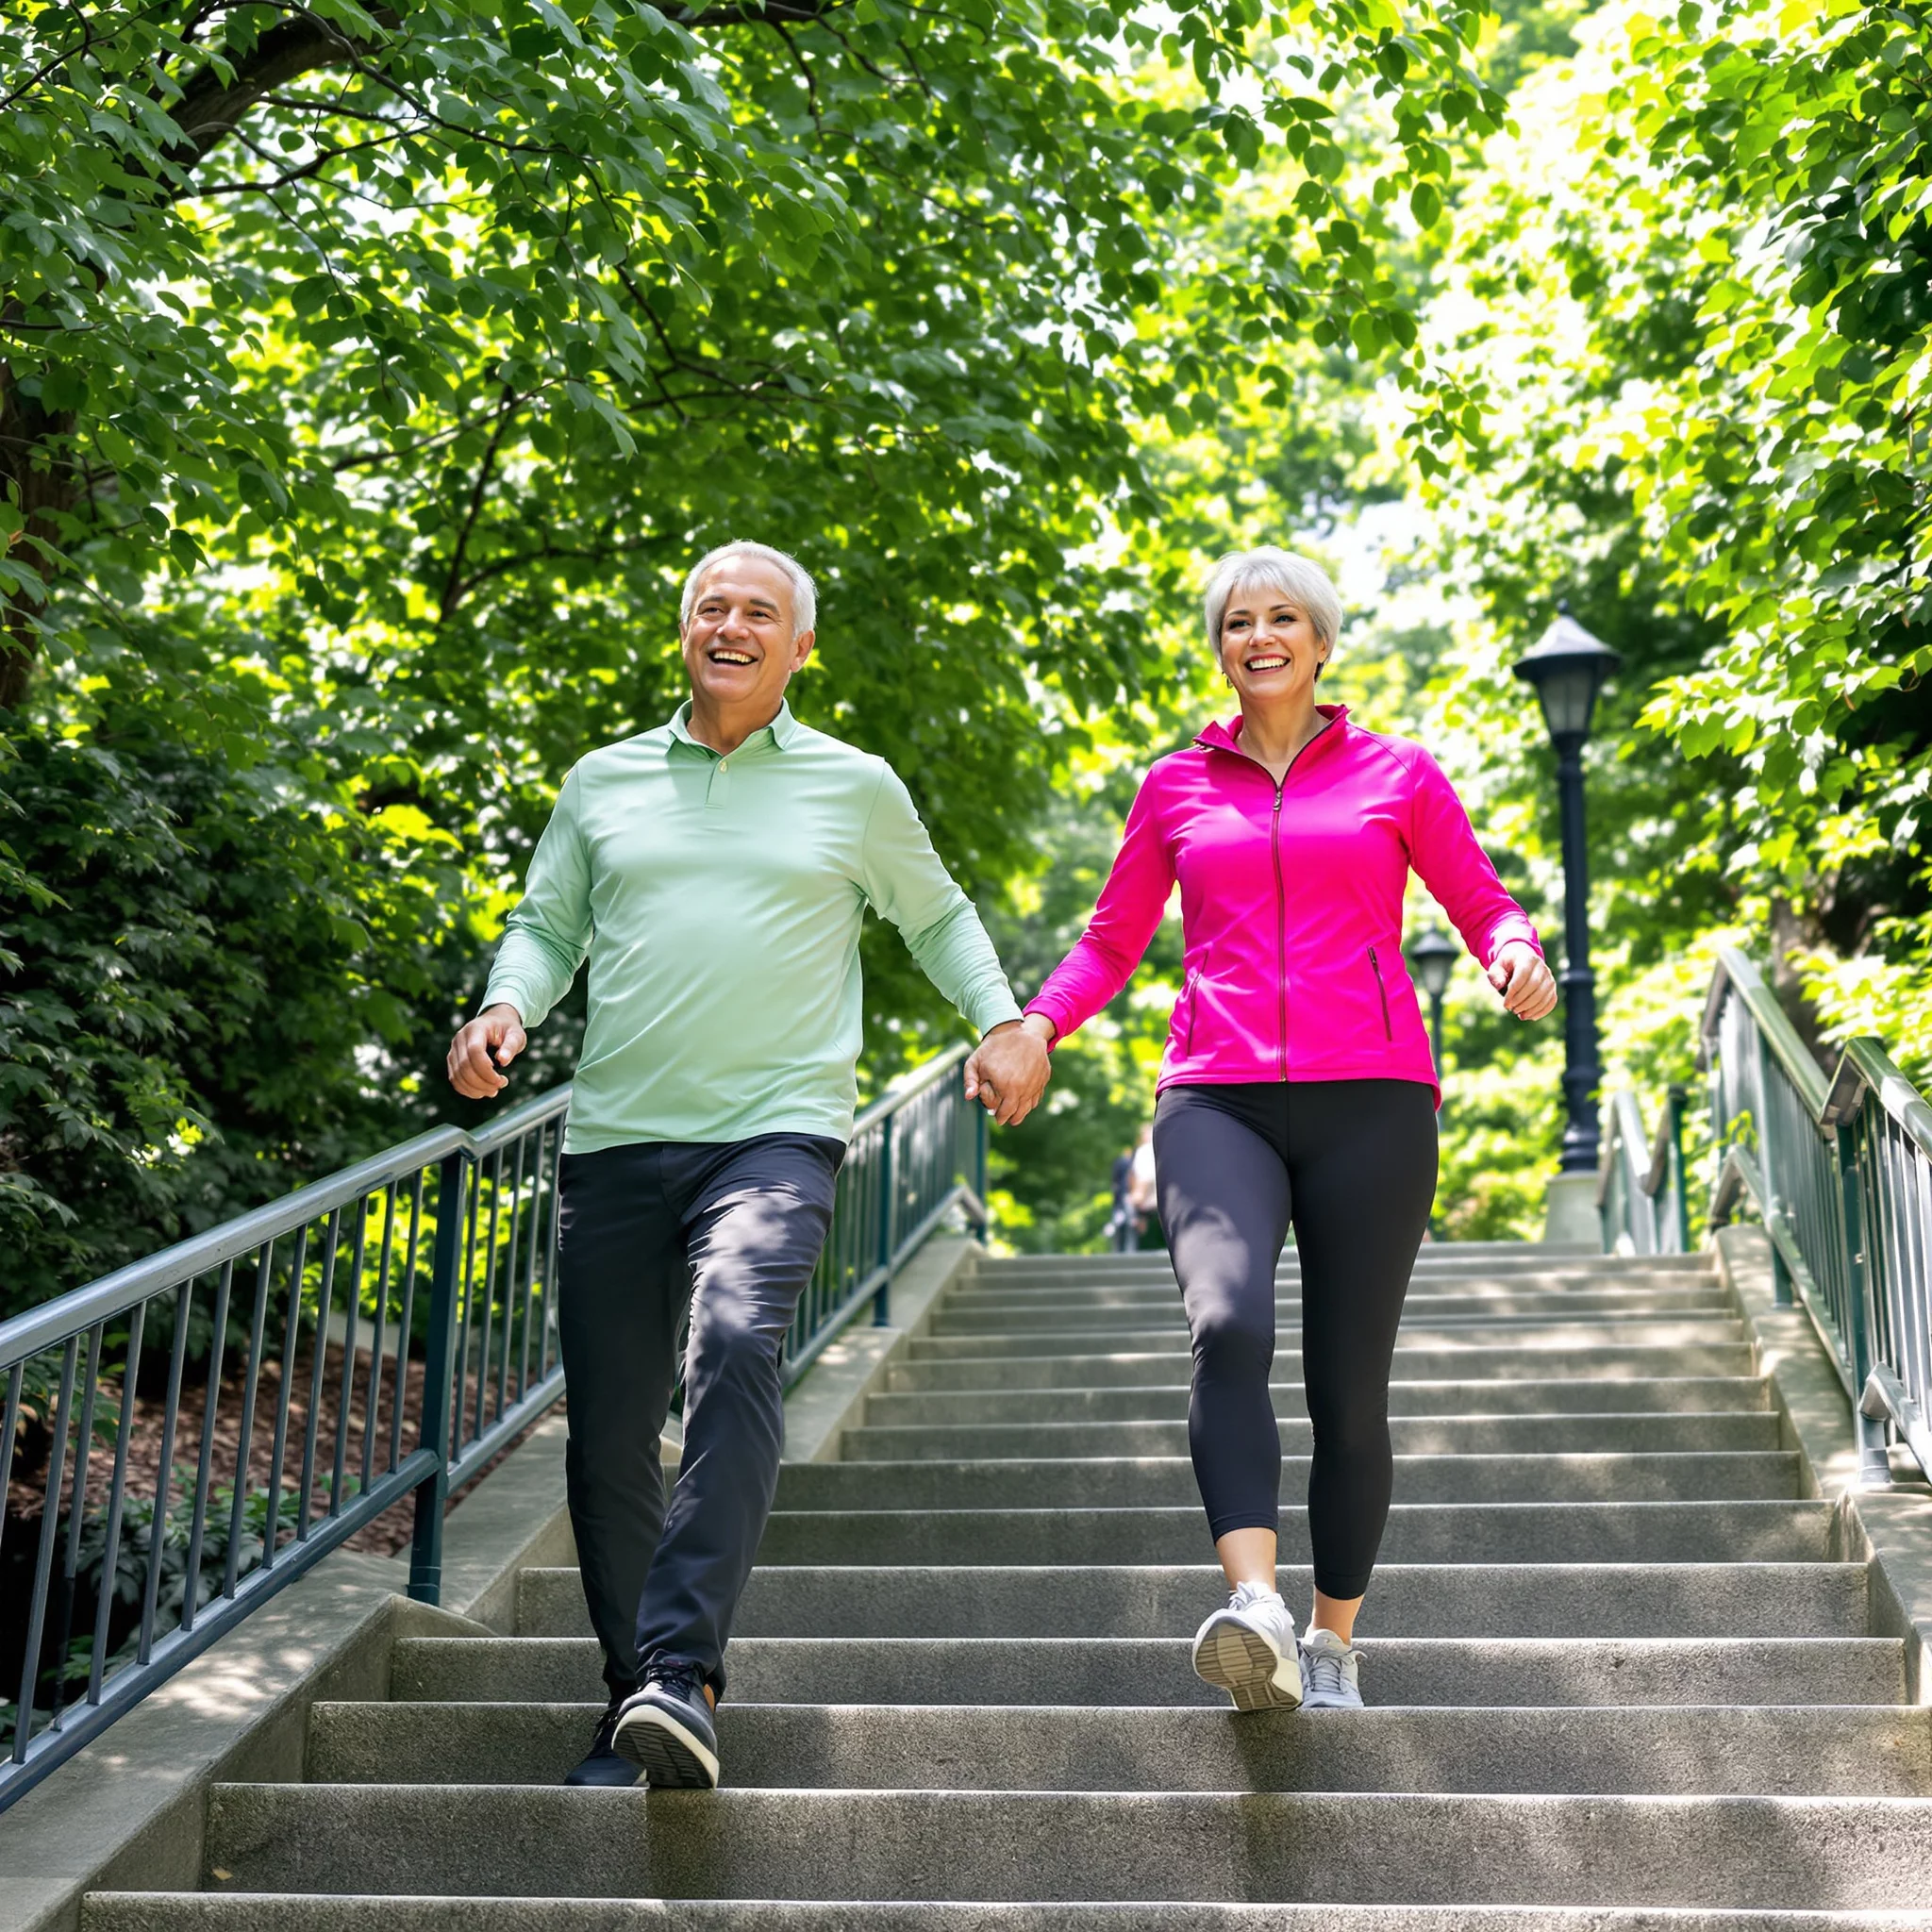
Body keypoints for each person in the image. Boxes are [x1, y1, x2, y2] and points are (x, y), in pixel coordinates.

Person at [446, 541, 1050, 1790]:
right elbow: (549, 925)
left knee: (734, 1342)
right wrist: (508, 1006)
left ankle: (682, 1669)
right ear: (685, 631)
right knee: (609, 1435)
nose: (730, 624)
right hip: (617, 1135)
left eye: (757, 611)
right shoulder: (604, 782)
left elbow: (933, 913)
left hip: (776, 1131)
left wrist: (999, 1021)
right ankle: (635, 1699)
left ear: (799, 647)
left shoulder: (853, 787)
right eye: (709, 606)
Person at [1010, 546, 1557, 1712]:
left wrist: (1513, 949)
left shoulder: (1396, 773)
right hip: (1216, 1093)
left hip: (1373, 1098)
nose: (1257, 635)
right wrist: (1036, 1023)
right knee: (1226, 1320)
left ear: (1320, 641)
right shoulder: (1175, 788)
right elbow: (1111, 940)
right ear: (1220, 646)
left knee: (1348, 1389)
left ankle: (1331, 1640)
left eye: (1281, 618)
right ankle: (1252, 1603)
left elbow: (1478, 896)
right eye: (1236, 621)